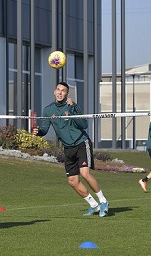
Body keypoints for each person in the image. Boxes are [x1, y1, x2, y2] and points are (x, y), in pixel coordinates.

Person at [32, 82, 109, 217]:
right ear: (54, 92)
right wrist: (38, 132)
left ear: (67, 94)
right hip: (68, 148)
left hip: (81, 143)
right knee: (72, 181)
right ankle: (94, 205)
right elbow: (44, 129)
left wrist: (72, 109)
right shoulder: (48, 110)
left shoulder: (73, 106)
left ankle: (103, 201)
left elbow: (84, 124)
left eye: (63, 91)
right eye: (58, 90)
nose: (60, 93)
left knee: (85, 173)